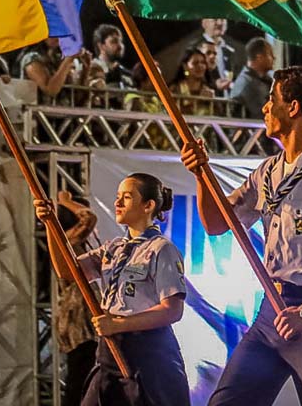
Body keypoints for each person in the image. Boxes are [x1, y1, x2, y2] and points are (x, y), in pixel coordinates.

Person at [180, 66, 302, 405]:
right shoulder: (268, 171)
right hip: (271, 312)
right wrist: (201, 173)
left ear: (294, 107)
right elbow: (216, 223)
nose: (265, 108)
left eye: (272, 100)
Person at [34, 173, 189, 406]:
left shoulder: (161, 250)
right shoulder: (113, 249)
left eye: (126, 197)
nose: (117, 203)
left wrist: (120, 324)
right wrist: (50, 225)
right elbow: (67, 270)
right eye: (118, 196)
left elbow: (172, 310)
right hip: (109, 350)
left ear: (148, 205)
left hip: (148, 353)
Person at [53, 192, 99, 406]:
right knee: (79, 384)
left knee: (81, 382)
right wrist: (65, 201)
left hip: (80, 326)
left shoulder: (73, 243)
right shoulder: (69, 239)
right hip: (79, 327)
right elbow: (89, 218)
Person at [17, 38, 92, 102]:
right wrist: (68, 60)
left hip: (62, 116)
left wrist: (86, 71)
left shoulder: (58, 58)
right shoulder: (31, 59)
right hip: (36, 116)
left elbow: (74, 98)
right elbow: (50, 90)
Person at [231, 37, 275, 119]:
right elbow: (265, 113)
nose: (274, 58)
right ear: (260, 57)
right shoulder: (247, 83)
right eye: (270, 54)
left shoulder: (265, 80)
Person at [88, 24, 134, 91]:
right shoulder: (90, 69)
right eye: (114, 41)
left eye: (121, 41)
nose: (120, 46)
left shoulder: (125, 73)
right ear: (101, 45)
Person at [171, 47, 215, 116]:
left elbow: (221, 116)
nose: (200, 66)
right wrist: (198, 101)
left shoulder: (208, 89)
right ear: (185, 66)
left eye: (203, 63)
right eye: (195, 63)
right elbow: (172, 114)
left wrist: (213, 102)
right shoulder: (175, 89)